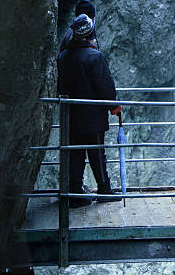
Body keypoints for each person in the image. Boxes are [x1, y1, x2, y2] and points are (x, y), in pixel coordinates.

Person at [57, 13, 122, 207]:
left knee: (75, 154)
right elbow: (105, 85)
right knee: (96, 153)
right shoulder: (95, 56)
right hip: (93, 116)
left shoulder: (63, 57)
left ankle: (75, 193)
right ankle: (104, 190)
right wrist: (114, 106)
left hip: (71, 116)